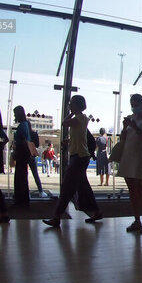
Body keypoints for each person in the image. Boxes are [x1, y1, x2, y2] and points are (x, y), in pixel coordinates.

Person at [43, 95, 102, 227]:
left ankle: (56, 217)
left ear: (76, 105)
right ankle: (97, 211)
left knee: (67, 187)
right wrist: (69, 141)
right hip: (80, 156)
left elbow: (64, 123)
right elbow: (79, 136)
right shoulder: (81, 119)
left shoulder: (80, 118)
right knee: (84, 187)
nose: (69, 105)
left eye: (71, 103)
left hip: (79, 157)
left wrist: (70, 113)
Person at [117, 94, 142, 233]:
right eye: (131, 104)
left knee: (139, 190)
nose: (134, 107)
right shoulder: (130, 118)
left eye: (136, 103)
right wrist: (124, 127)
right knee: (132, 191)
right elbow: (123, 138)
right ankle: (137, 220)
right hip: (128, 156)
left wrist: (133, 126)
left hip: (140, 156)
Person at [13, 105, 31, 207]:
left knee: (20, 177)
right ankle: (23, 199)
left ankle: (20, 199)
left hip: (22, 154)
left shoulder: (22, 126)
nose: (15, 116)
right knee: (22, 177)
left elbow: (23, 141)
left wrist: (17, 150)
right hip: (24, 154)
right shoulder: (26, 124)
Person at [27, 121, 47, 198]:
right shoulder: (34, 134)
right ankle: (40, 191)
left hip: (24, 154)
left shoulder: (25, 134)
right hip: (32, 154)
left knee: (24, 174)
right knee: (35, 174)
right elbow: (37, 144)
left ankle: (25, 192)